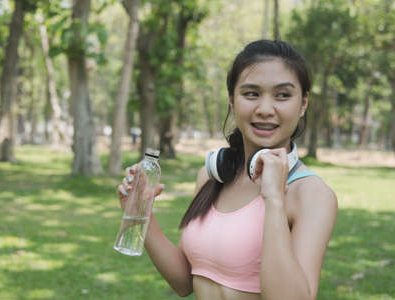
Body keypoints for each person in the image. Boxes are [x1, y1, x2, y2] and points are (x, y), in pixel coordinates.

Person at [117, 40, 337, 300]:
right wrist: (142, 212)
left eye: (282, 95)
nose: (265, 109)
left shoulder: (312, 194)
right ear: (232, 101)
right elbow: (185, 281)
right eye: (251, 94)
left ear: (303, 104)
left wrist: (274, 200)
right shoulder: (212, 177)